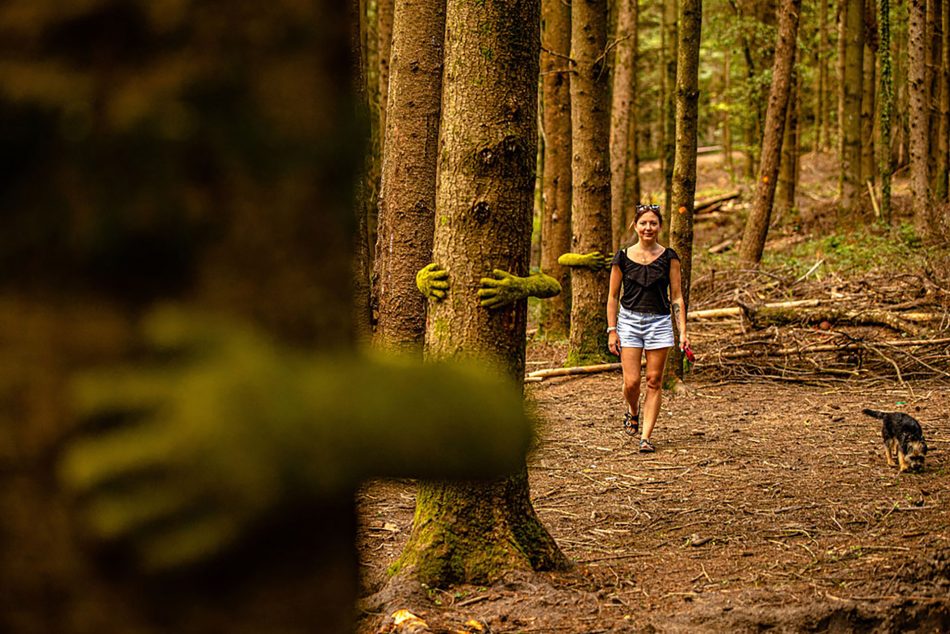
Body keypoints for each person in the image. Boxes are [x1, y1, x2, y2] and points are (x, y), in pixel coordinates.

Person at [606, 204, 689, 453]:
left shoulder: (669, 257)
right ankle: (633, 410)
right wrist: (612, 329)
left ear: (660, 226)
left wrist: (683, 331)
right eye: (643, 223)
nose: (648, 228)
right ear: (635, 226)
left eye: (653, 223)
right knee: (632, 382)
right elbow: (612, 296)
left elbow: (676, 297)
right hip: (629, 322)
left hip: (659, 322)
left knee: (654, 380)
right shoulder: (622, 257)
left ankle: (646, 437)